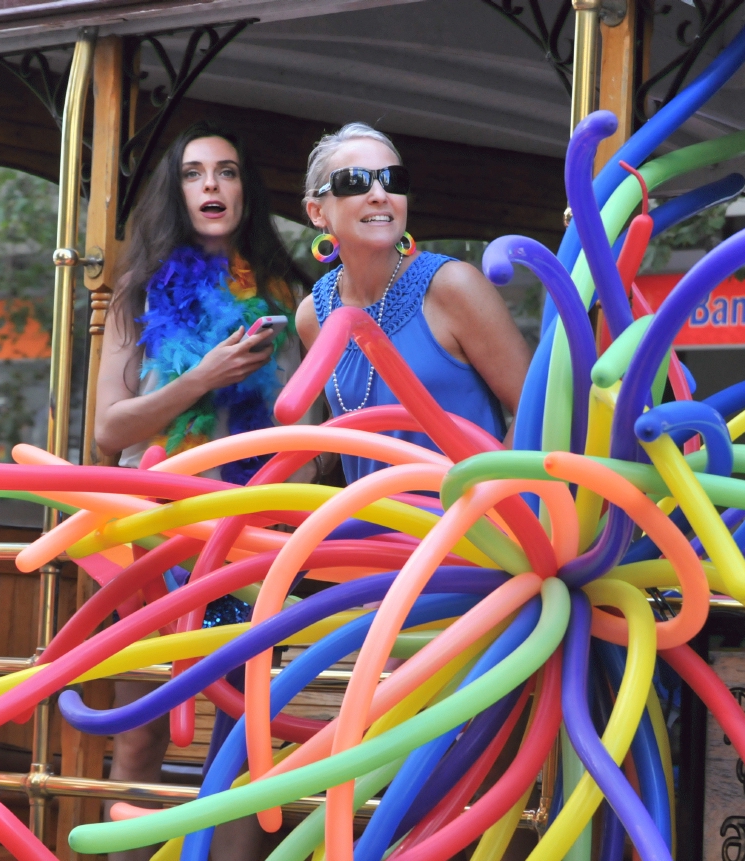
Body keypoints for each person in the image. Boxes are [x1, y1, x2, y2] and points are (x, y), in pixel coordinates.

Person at [95, 119, 310, 861]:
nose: (211, 186)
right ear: (176, 190)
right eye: (194, 173)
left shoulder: (290, 294)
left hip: (255, 543)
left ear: (247, 189)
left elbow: (310, 429)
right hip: (156, 535)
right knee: (142, 728)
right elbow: (107, 432)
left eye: (226, 171)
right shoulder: (140, 289)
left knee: (248, 735)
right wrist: (201, 379)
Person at [295, 123, 531, 479]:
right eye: (355, 181)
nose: (379, 194)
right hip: (372, 529)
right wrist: (300, 470)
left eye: (393, 180)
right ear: (317, 212)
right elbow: (356, 419)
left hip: (467, 526)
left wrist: (489, 509)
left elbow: (535, 407)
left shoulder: (453, 286)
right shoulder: (313, 315)